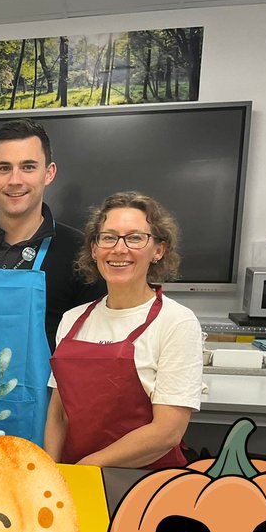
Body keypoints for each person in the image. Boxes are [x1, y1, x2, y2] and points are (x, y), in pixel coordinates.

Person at [0, 118, 104, 445]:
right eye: (4, 168)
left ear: (49, 173)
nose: (15, 180)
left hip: (44, 424)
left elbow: (91, 358)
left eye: (28, 167)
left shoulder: (81, 255)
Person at [44, 192, 203, 468]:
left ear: (158, 250)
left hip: (145, 483)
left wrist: (86, 469)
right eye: (108, 238)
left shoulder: (176, 322)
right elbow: (59, 415)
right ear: (94, 249)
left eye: (135, 238)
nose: (119, 249)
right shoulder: (72, 320)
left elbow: (167, 432)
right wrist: (53, 472)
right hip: (75, 477)